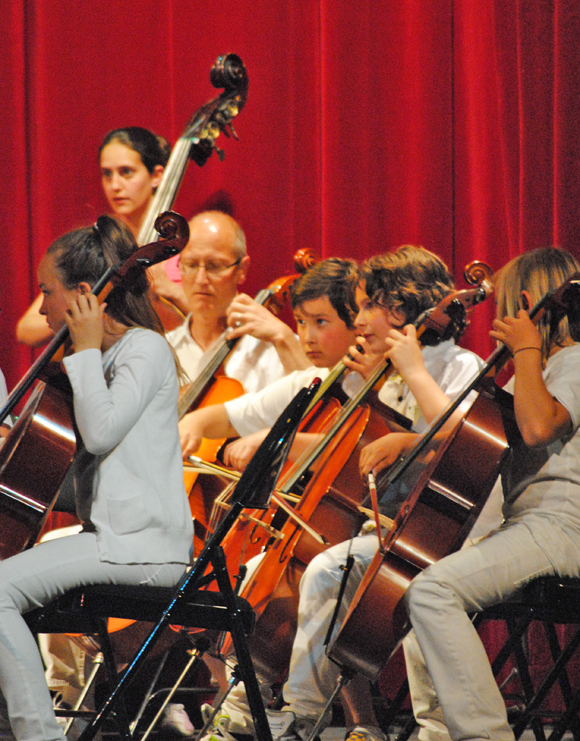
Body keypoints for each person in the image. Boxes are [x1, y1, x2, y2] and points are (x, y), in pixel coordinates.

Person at [194, 246, 492, 741]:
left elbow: (465, 448)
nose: (358, 322)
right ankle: (271, 708)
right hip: (398, 528)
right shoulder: (390, 372)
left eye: (365, 307)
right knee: (325, 568)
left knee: (330, 569)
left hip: (450, 532)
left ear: (398, 309)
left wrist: (405, 427)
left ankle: (301, 714)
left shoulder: (457, 364)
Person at [0, 214, 193, 741]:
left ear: (84, 294)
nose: (42, 309)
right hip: (112, 540)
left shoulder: (143, 349)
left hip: (144, 548)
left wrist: (82, 351)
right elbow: (89, 476)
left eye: (48, 292)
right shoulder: (99, 360)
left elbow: (102, 433)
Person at [404, 247, 580, 741]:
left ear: (528, 304)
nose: (499, 321)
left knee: (434, 591)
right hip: (530, 527)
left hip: (561, 530)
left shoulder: (575, 361)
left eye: (507, 308)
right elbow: (491, 437)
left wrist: (524, 351)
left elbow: (540, 426)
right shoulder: (542, 370)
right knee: (427, 587)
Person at [16, 126, 188, 348]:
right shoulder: (95, 244)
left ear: (156, 176)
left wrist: (173, 293)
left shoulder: (186, 248)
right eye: (107, 174)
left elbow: (215, 324)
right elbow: (26, 329)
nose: (115, 185)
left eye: (126, 172)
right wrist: (97, 299)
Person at [167, 210, 310, 392]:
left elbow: (314, 406)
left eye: (215, 266)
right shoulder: (160, 351)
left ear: (242, 269)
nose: (201, 279)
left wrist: (284, 338)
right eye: (191, 265)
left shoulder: (275, 347)